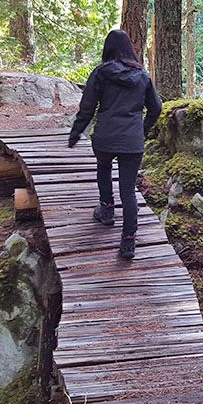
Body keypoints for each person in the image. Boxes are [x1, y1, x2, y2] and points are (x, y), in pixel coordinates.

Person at [68, 30, 162, 259]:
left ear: (107, 48)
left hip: (105, 137)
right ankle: (128, 240)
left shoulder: (101, 73)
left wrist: (76, 132)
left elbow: (87, 106)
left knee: (104, 169)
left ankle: (107, 210)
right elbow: (156, 107)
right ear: (130, 48)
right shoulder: (143, 76)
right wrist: (142, 129)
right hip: (132, 139)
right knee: (128, 189)